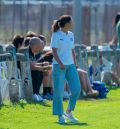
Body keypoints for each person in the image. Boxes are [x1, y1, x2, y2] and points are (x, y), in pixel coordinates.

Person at [51, 15, 81, 124]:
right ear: (67, 24)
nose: (73, 24)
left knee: (77, 89)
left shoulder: (71, 35)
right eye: (71, 22)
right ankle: (60, 116)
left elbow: (72, 50)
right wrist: (60, 63)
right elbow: (53, 51)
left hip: (71, 66)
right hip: (59, 66)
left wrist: (75, 64)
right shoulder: (56, 35)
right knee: (58, 92)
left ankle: (68, 112)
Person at [29, 37, 51, 102]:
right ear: (35, 46)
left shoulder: (32, 52)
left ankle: (37, 93)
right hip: (23, 73)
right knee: (37, 72)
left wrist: (43, 66)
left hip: (28, 71)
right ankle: (34, 94)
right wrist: (42, 68)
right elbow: (31, 66)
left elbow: (34, 64)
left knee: (40, 71)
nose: (41, 48)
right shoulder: (27, 51)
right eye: (39, 46)